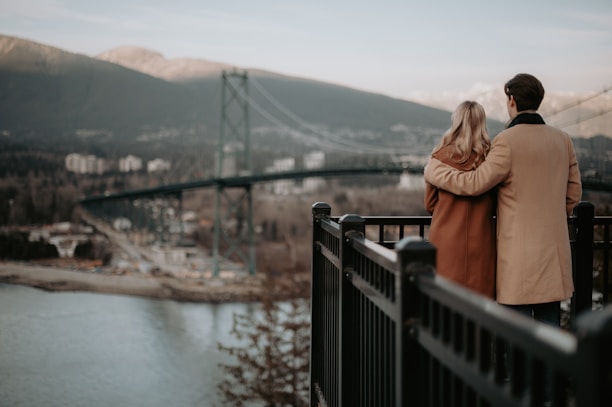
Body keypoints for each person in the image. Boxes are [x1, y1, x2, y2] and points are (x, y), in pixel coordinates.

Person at [424, 73, 582, 327]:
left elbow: (475, 184)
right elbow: (573, 194)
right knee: (550, 336)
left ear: (511, 101)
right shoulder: (562, 140)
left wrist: (435, 171)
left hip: (516, 259)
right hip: (554, 254)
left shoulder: (506, 142)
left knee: (517, 336)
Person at [424, 101, 496, 299]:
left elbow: (429, 204)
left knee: (445, 304)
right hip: (482, 243)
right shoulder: (491, 158)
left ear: (456, 122)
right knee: (480, 308)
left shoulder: (439, 157)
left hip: (445, 243)